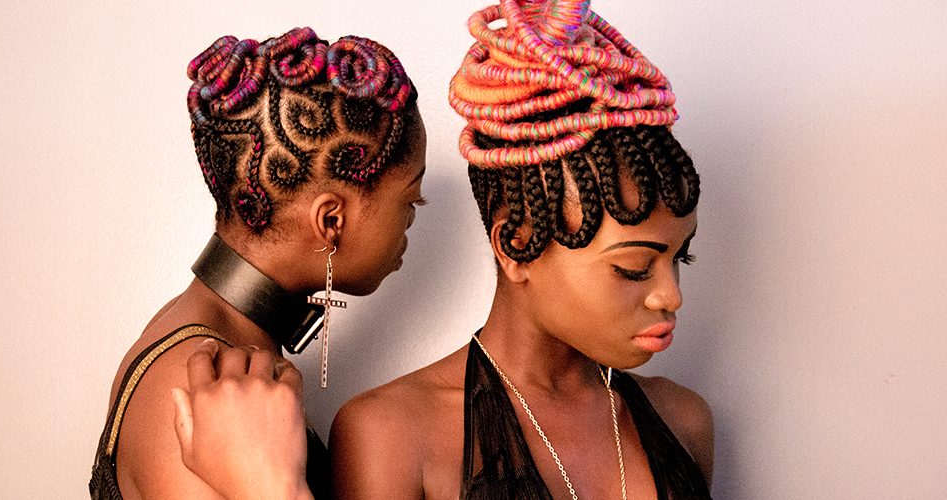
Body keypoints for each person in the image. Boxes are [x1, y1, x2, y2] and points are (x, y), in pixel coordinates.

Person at [174, 1, 713, 498]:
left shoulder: (684, 423)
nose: (671, 296)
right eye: (635, 268)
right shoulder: (391, 435)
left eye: (680, 257)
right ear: (516, 244)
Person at [89, 26, 425, 500]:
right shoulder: (194, 381)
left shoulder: (217, 346)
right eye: (412, 199)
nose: (413, 217)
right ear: (331, 219)